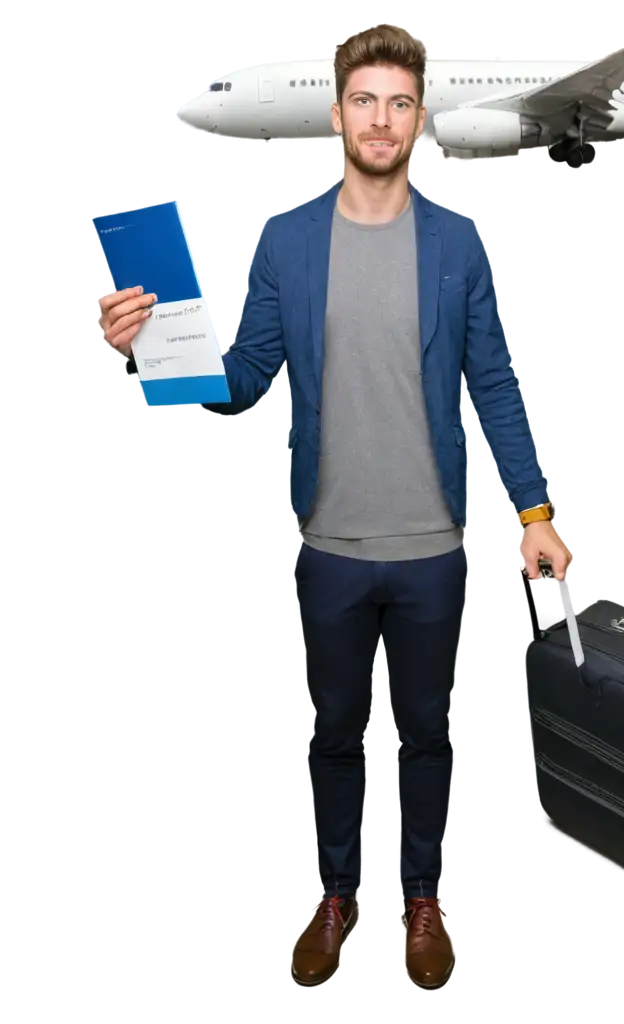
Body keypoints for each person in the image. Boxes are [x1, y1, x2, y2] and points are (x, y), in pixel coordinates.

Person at [93, 21, 571, 990]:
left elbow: (497, 386)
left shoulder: (455, 244)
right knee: (342, 733)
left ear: (418, 118)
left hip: (433, 545)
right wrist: (140, 350)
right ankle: (338, 891)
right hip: (332, 543)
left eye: (400, 102)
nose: (382, 119)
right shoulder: (286, 241)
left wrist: (534, 513)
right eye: (365, 100)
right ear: (335, 115)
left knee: (431, 733)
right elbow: (246, 374)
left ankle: (425, 894)